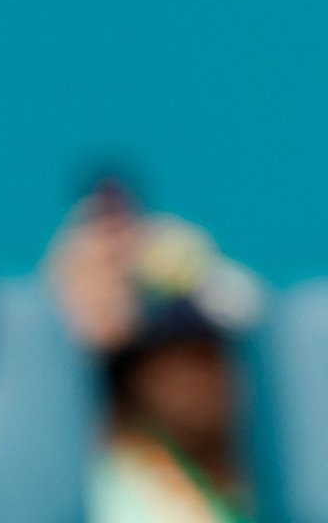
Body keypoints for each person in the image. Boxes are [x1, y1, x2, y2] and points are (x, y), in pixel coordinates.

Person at [48, 182, 260, 523]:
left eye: (214, 353)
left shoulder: (260, 477)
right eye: (180, 355)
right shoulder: (96, 486)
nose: (206, 377)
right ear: (135, 376)